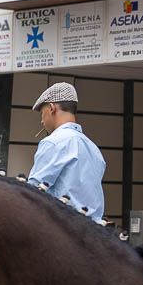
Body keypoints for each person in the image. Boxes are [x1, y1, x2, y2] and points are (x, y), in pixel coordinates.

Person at [29, 82, 106, 221]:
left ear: (51, 108)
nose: (42, 121)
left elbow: (32, 193)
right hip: (94, 231)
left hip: (63, 230)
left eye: (42, 113)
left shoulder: (53, 142)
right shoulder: (93, 148)